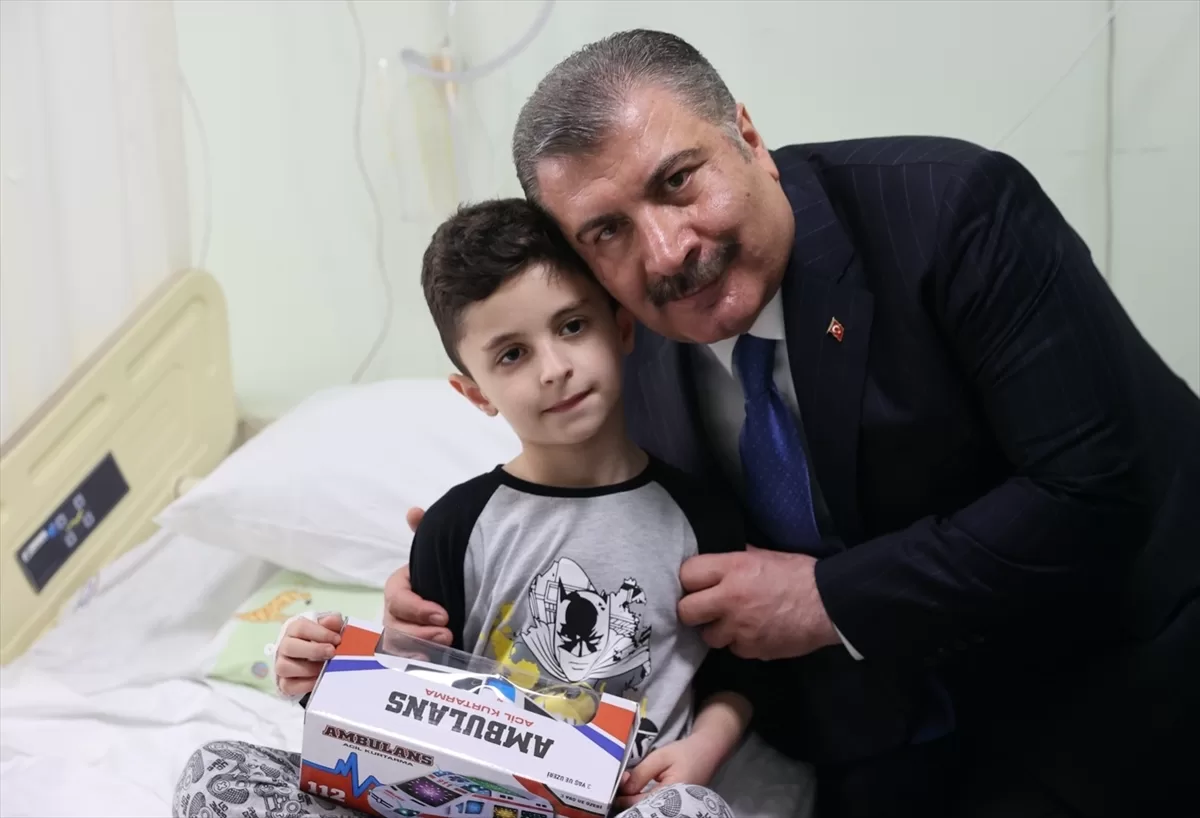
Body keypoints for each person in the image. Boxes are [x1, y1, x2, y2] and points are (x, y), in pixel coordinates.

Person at [381, 28, 1200, 818]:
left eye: (678, 181)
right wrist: (455, 590)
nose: (665, 251)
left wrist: (826, 599)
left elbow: (1092, 490)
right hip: (857, 724)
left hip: (1110, 664)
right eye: (607, 230)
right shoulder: (622, 335)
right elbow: (629, 529)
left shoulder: (952, 211)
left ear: (748, 136)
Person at [172, 199, 814, 818]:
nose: (554, 369)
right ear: (476, 393)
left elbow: (740, 675)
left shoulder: (700, 515)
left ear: (621, 327)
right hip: (446, 797)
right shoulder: (456, 525)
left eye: (572, 326)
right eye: (512, 354)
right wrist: (325, 676)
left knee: (695, 810)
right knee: (215, 772)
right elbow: (408, 695)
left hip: (614, 805)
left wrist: (704, 748)